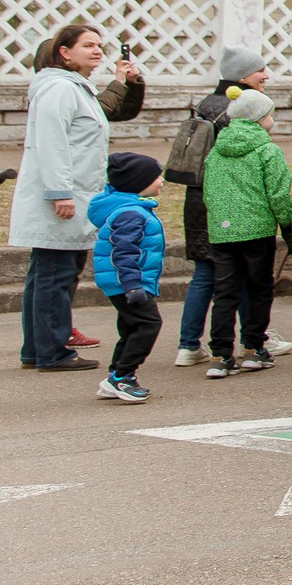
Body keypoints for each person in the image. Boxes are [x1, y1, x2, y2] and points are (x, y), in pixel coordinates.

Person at [11, 24, 139, 372]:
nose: (97, 50)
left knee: (48, 274)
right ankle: (52, 352)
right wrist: (61, 193)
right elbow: (51, 145)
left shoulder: (75, 88)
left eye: (99, 45)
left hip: (73, 194)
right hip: (62, 198)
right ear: (64, 53)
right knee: (55, 275)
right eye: (87, 45)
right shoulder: (59, 90)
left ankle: (37, 350)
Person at [171, 47, 285, 367]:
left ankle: (188, 344)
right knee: (243, 278)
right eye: (260, 70)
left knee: (206, 274)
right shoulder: (237, 110)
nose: (266, 75)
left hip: (198, 197)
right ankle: (254, 341)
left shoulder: (205, 104)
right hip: (229, 204)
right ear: (240, 76)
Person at [200, 90, 292, 379]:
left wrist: (220, 220)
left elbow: (209, 191)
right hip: (257, 230)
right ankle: (254, 348)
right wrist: (288, 228)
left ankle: (220, 354)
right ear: (258, 119)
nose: (273, 119)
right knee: (259, 289)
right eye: (269, 114)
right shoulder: (268, 151)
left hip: (222, 231)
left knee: (225, 293)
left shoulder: (217, 150)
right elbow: (279, 195)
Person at [87, 153, 167, 403]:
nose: (161, 181)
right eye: (156, 177)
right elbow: (124, 252)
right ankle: (122, 377)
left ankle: (117, 374)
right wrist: (133, 286)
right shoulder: (131, 213)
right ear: (138, 183)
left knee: (132, 327)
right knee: (148, 324)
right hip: (128, 282)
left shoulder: (133, 209)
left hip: (126, 281)